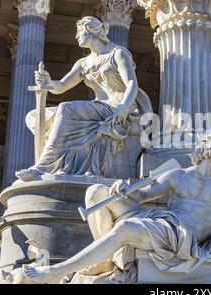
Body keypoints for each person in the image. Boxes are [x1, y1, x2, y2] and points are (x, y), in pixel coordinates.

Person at [23, 130, 211, 284]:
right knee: (96, 191)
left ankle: (57, 271)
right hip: (163, 222)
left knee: (126, 228)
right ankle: (106, 261)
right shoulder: (178, 175)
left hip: (181, 236)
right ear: (206, 148)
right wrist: (122, 187)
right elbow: (142, 196)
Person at [16, 16, 152, 181]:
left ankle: (44, 165)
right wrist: (48, 82)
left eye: (79, 32)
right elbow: (62, 86)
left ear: (91, 32)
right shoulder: (84, 63)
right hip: (99, 107)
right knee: (34, 116)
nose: (76, 36)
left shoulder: (118, 54)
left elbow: (131, 83)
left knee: (66, 109)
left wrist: (123, 107)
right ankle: (62, 163)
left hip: (117, 105)